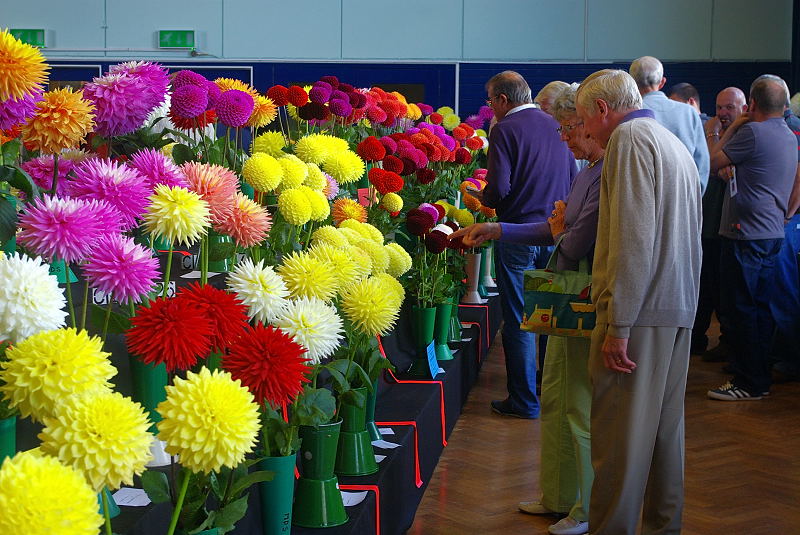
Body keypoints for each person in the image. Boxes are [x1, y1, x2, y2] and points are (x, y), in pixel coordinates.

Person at [451, 84, 600, 535]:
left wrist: (550, 227)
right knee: (555, 390)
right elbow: (557, 229)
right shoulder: (586, 166)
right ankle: (557, 495)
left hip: (584, 289)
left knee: (575, 401)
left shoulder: (605, 167)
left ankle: (583, 506)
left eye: (568, 129)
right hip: (561, 275)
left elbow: (570, 236)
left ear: (589, 121)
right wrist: (500, 229)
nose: (562, 139)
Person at [575, 69, 701, 534]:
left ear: (604, 110)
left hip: (641, 312)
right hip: (677, 307)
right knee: (666, 436)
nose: (586, 131)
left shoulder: (628, 140)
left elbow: (633, 238)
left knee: (619, 440)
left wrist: (619, 324)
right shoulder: (672, 141)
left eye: (586, 119)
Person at [480, 71, 576, 419]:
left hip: (517, 233)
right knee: (550, 318)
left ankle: (523, 402)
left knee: (520, 319)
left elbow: (500, 188)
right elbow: (573, 178)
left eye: (491, 100)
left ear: (504, 100)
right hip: (554, 233)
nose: (489, 106)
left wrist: (481, 198)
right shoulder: (555, 124)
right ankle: (549, 393)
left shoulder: (504, 129)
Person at [707, 75, 797, 400]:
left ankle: (748, 381)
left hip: (745, 236)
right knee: (758, 309)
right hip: (771, 233)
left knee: (740, 309)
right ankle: (757, 376)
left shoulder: (752, 132)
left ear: (752, 104)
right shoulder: (787, 134)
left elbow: (711, 161)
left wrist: (732, 127)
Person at [693, 87, 748, 359]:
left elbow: (715, 162)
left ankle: (729, 341)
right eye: (720, 107)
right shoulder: (708, 127)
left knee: (726, 290)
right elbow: (708, 166)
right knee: (705, 287)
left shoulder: (746, 133)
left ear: (744, 108)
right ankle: (698, 337)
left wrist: (716, 133)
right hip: (708, 223)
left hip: (731, 227)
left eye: (730, 107)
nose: (723, 113)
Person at [630, 56, 710, 192]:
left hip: (643, 195)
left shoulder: (630, 114)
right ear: (662, 82)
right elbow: (701, 163)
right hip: (684, 194)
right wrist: (694, 196)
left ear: (631, 82)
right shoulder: (688, 113)